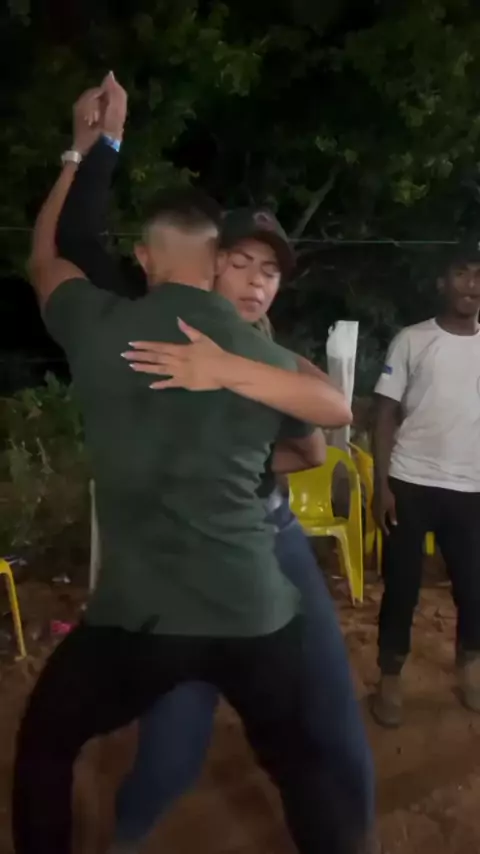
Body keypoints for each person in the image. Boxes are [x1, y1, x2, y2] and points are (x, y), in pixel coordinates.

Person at [13, 80, 356, 854]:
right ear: (217, 266)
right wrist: (232, 383)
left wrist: (80, 150)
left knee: (46, 745)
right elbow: (326, 421)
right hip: (254, 612)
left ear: (144, 258)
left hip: (143, 619)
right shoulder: (267, 358)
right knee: (303, 767)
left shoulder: (98, 323)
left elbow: (45, 255)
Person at [371, 240, 480, 728]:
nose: (472, 285)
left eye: (479, 276)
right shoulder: (412, 340)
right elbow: (384, 413)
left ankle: (470, 667)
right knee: (402, 586)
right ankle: (390, 677)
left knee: (474, 588)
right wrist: (381, 486)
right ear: (442, 282)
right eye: (461, 273)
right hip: (410, 482)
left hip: (471, 488)